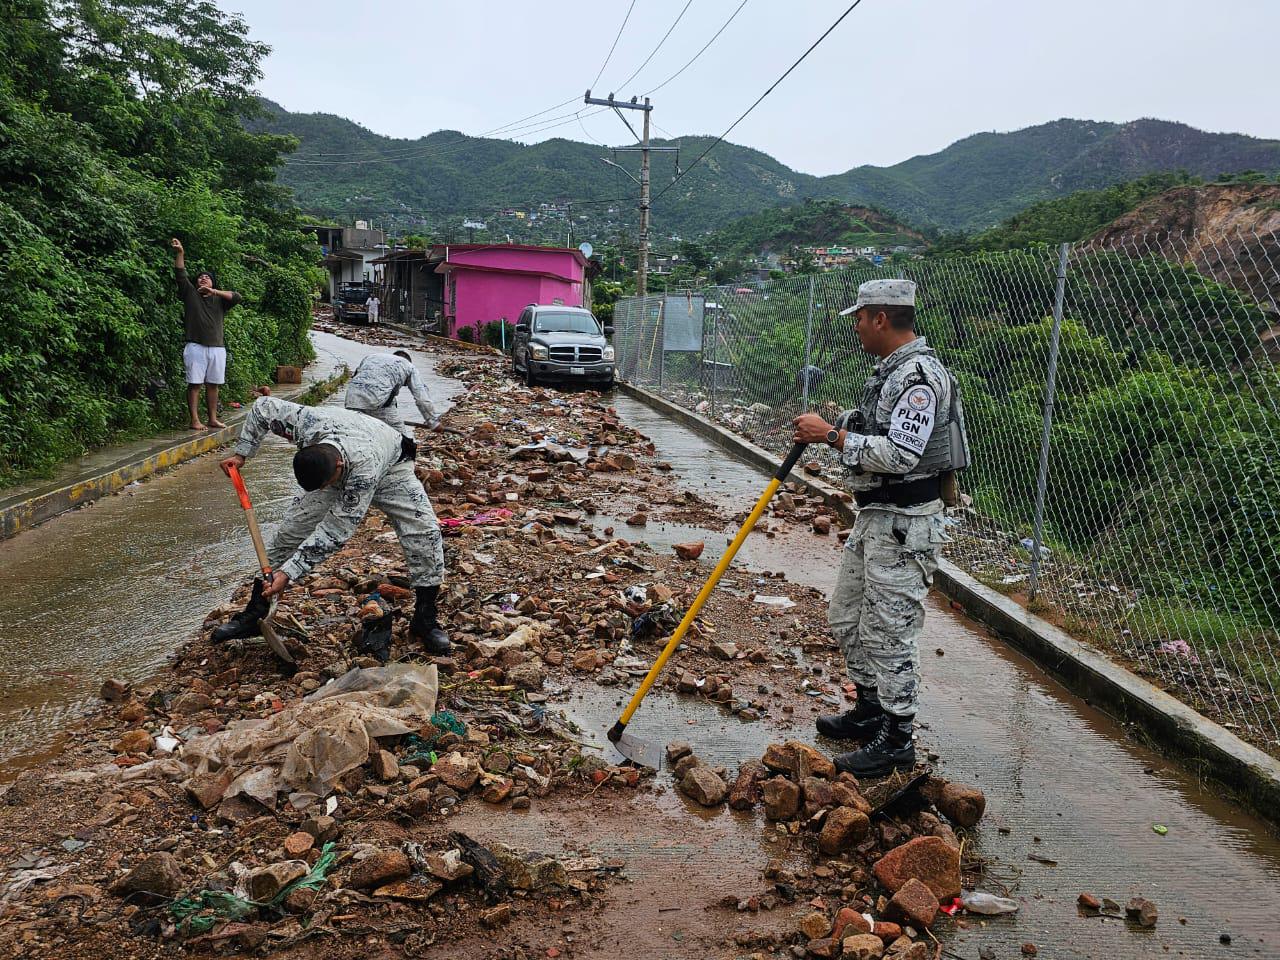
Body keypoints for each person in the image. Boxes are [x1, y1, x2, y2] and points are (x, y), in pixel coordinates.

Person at [792, 279, 968, 778]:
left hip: (906, 523)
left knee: (890, 633)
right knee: (846, 618)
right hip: (877, 516)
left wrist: (831, 435)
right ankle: (870, 708)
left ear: (880, 319)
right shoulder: (889, 373)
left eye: (860, 317)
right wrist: (844, 428)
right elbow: (880, 432)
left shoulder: (918, 377)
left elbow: (901, 453)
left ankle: (897, 736)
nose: (856, 326)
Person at [213, 395, 450, 655]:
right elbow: (262, 407)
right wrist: (242, 453)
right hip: (342, 450)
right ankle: (255, 613)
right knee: (289, 534)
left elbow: (336, 530)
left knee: (425, 532)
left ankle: (425, 620)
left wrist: (290, 573)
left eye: (328, 484)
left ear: (337, 468)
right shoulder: (307, 424)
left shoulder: (363, 469)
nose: (328, 490)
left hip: (391, 465)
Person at [170, 238, 242, 430]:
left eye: (207, 277)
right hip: (196, 346)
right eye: (200, 277)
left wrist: (214, 292)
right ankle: (194, 419)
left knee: (213, 384)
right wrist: (180, 253)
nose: (203, 278)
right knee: (194, 384)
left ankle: (212, 418)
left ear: (213, 283)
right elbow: (180, 274)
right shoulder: (190, 293)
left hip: (217, 348)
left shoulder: (220, 300)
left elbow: (237, 296)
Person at [344, 350, 440, 440]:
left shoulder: (372, 357)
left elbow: (356, 376)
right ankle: (404, 455)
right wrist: (433, 422)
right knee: (401, 438)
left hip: (351, 399)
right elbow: (422, 399)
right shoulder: (409, 367)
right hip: (375, 402)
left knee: (355, 434)